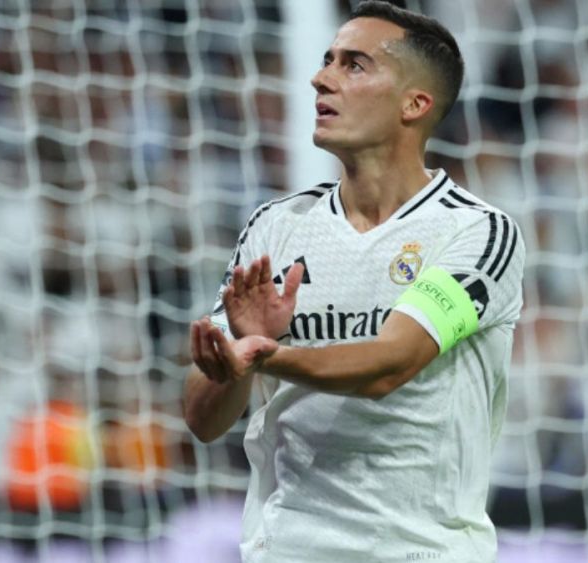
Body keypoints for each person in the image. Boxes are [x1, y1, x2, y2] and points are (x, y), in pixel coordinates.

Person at [183, 2, 525, 561]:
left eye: (354, 65)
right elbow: (202, 419)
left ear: (415, 104)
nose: (321, 77)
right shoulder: (277, 227)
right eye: (326, 61)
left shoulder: (477, 232)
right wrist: (225, 367)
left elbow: (390, 364)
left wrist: (261, 355)